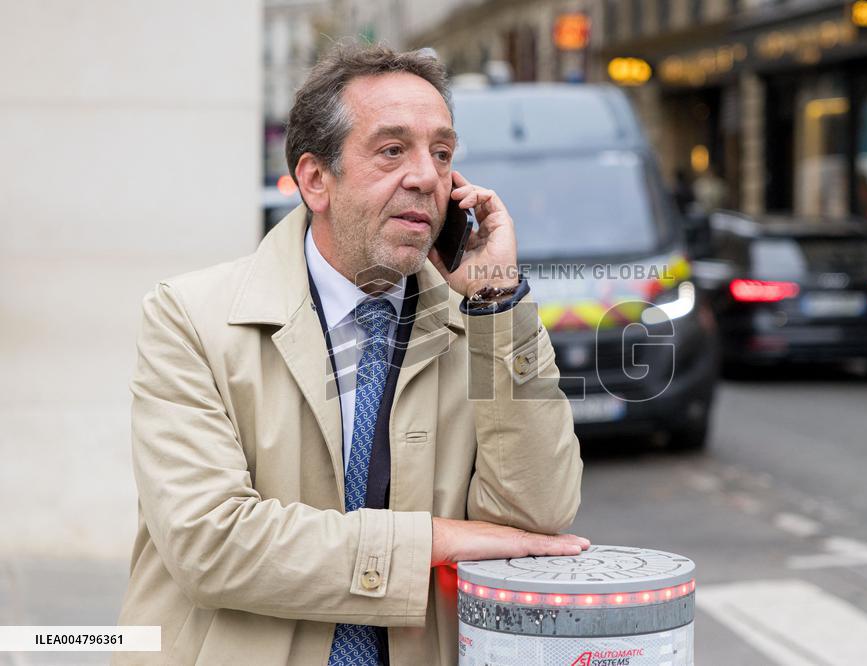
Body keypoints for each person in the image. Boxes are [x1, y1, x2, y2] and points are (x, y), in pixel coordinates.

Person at [113, 42, 586, 665]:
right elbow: (213, 544)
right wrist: (435, 542)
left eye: (442, 154)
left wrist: (497, 307)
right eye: (393, 150)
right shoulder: (190, 316)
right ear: (315, 180)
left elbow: (536, 518)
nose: (426, 177)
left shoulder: (481, 322)